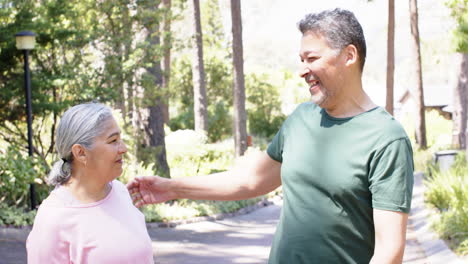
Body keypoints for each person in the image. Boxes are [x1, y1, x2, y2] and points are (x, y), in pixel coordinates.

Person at [127, 8, 414, 264]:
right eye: (301, 59)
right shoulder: (302, 118)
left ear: (349, 56)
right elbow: (250, 180)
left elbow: (390, 252)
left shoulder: (386, 138)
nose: (303, 71)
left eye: (311, 58)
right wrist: (173, 188)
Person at [27, 102, 154, 264]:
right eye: (113, 140)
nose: (123, 148)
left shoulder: (120, 191)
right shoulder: (53, 218)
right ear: (80, 153)